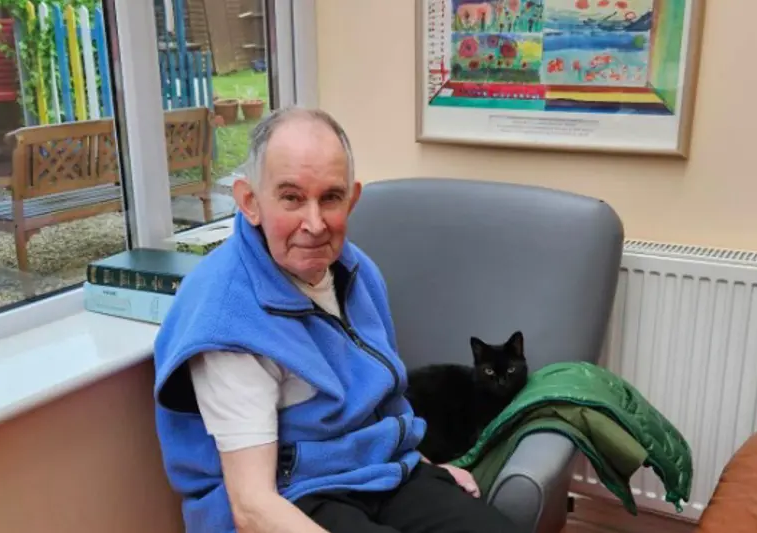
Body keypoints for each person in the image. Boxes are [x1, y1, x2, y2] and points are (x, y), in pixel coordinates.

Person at [152, 107, 519, 533]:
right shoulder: (227, 320)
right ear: (250, 202)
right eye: (291, 198)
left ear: (352, 199)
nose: (314, 224)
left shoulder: (356, 271)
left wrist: (424, 466)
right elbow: (252, 507)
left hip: (378, 471)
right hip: (294, 495)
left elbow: (377, 403)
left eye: (330, 198)